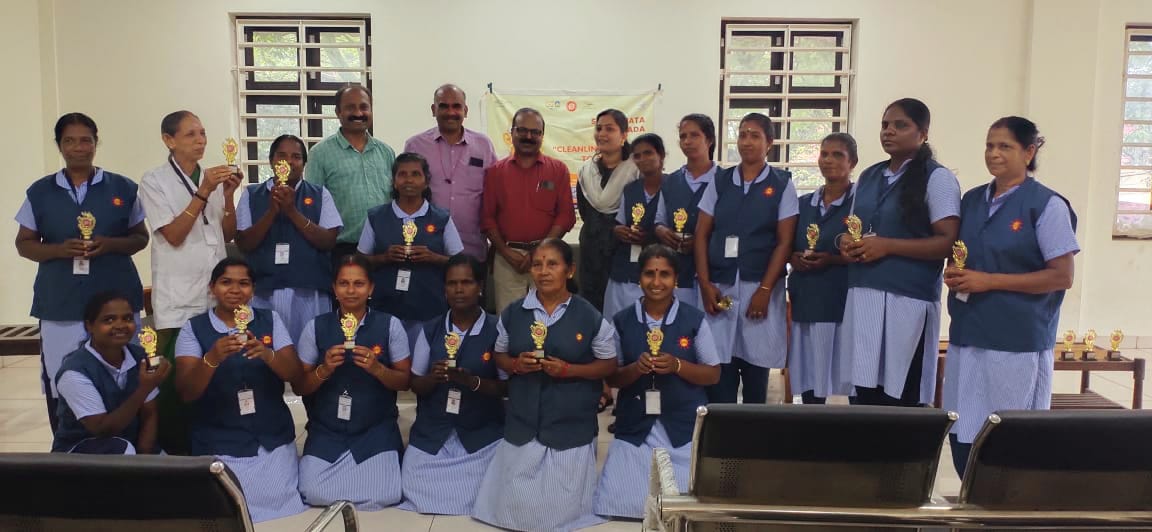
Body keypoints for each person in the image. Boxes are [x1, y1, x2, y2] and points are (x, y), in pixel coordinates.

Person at [942, 117, 1078, 476]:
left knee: (1008, 440)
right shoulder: (972, 200)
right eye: (989, 145)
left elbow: (1061, 276)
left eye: (1005, 146)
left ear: (1029, 152)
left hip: (1015, 341)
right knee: (963, 432)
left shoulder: (1046, 205)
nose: (994, 154)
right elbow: (961, 253)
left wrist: (989, 281)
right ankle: (971, 507)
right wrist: (956, 275)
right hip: (968, 336)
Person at [472, 238, 618, 531]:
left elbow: (609, 365)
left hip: (570, 421)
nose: (543, 271)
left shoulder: (589, 316)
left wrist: (569, 370)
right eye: (537, 264)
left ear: (570, 270)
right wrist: (515, 365)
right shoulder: (514, 313)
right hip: (524, 418)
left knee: (561, 513)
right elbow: (500, 354)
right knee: (513, 509)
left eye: (553, 264)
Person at [15, 113, 148, 431]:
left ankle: (131, 447)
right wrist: (60, 250)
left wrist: (110, 244)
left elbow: (140, 238)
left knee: (126, 375)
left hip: (116, 300)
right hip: (61, 303)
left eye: (86, 140)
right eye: (70, 141)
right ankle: (68, 449)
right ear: (59, 145)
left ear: (96, 142)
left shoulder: (123, 188)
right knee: (64, 381)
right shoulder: (40, 192)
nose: (79, 147)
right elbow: (25, 244)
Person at [838, 98, 961, 407]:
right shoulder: (869, 176)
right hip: (863, 296)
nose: (888, 131)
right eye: (885, 125)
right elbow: (854, 227)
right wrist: (844, 242)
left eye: (900, 125)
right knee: (865, 395)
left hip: (907, 301)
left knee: (901, 395)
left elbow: (947, 242)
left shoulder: (938, 178)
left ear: (923, 133)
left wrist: (887, 245)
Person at [139, 110, 241, 454]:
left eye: (202, 133)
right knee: (174, 378)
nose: (200, 140)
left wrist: (226, 195)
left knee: (212, 372)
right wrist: (204, 191)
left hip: (212, 293)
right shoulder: (154, 181)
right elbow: (174, 234)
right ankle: (174, 449)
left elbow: (227, 234)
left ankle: (209, 440)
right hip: (177, 293)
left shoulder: (208, 176)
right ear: (169, 140)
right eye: (190, 135)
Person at [173, 258, 306, 522]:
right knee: (228, 509)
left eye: (243, 283)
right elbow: (186, 392)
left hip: (270, 433)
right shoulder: (194, 328)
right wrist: (212, 358)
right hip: (220, 435)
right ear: (212, 288)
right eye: (226, 282)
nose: (235, 289)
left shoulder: (270, 319)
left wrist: (268, 356)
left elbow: (296, 376)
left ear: (253, 290)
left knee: (284, 505)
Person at [595, 245, 720, 519]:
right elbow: (613, 376)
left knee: (688, 507)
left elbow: (713, 373)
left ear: (676, 279)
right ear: (639, 278)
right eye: (649, 273)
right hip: (636, 422)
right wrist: (634, 370)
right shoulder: (622, 321)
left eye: (665, 274)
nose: (656, 281)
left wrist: (677, 365)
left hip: (681, 423)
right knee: (621, 504)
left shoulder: (693, 320)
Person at [293, 254, 412, 511]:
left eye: (358, 284)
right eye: (344, 283)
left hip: (375, 428)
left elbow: (404, 381)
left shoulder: (390, 325)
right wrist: (323, 370)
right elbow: (300, 386)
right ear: (334, 288)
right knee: (313, 492)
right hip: (328, 429)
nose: (350, 290)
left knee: (386, 493)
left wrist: (378, 369)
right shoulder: (315, 326)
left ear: (371, 288)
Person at [693, 113, 798, 404]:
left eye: (754, 135)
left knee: (755, 370)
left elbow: (784, 241)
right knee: (721, 367)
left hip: (760, 287)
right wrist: (704, 283)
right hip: (720, 285)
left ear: (769, 144)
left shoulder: (781, 183)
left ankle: (753, 440)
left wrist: (765, 291)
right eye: (742, 134)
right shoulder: (721, 180)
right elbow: (701, 234)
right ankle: (721, 443)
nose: (746, 141)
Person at [401, 253, 506, 515]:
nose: (459, 289)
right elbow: (415, 384)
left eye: (467, 282)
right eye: (452, 283)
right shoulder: (431, 329)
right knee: (412, 485)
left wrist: (472, 382)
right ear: (444, 288)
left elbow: (507, 389)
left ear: (481, 286)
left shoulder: (497, 329)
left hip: (481, 430)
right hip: (434, 429)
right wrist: (432, 379)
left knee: (489, 487)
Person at [235, 134, 342, 342]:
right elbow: (244, 243)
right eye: (282, 155)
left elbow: (328, 240)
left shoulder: (320, 194)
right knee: (266, 351)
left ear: (304, 164)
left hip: (309, 291)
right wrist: (272, 212)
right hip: (263, 292)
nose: (289, 162)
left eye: (296, 157)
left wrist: (292, 211)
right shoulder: (251, 194)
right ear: (271, 160)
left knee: (309, 351)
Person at [358, 152, 464, 345]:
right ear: (394, 181)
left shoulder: (441, 218)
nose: (409, 180)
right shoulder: (377, 217)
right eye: (402, 174)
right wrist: (384, 258)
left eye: (415, 174)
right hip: (386, 307)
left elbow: (460, 264)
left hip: (429, 307)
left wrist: (433, 257)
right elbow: (360, 262)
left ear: (426, 182)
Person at [481, 108, 576, 312]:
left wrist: (539, 251)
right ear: (512, 132)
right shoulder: (495, 172)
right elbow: (487, 218)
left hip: (547, 259)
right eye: (522, 130)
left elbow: (566, 216)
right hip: (507, 259)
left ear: (542, 135)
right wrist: (506, 251)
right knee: (508, 321)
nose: (528, 136)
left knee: (548, 318)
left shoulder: (558, 170)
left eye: (535, 132)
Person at [787, 133, 858, 404]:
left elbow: (865, 250)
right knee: (810, 382)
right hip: (807, 300)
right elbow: (788, 245)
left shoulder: (859, 205)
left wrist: (832, 259)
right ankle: (810, 439)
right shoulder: (803, 204)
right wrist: (794, 257)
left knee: (849, 382)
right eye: (824, 154)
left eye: (837, 155)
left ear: (853, 162)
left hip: (841, 302)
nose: (828, 160)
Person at [52, 291, 168, 455]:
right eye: (109, 320)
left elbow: (149, 412)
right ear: (89, 326)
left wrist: (146, 459)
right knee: (122, 449)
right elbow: (102, 429)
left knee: (175, 473)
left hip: (131, 449)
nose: (121, 325)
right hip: (80, 452)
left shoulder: (141, 355)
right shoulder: (73, 372)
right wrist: (144, 389)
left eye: (127, 318)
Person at [403, 84, 498, 262]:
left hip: (471, 248)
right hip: (426, 247)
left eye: (456, 106)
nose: (450, 112)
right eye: (443, 106)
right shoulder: (415, 146)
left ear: (466, 110)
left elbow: (494, 194)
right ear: (433, 109)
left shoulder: (483, 145)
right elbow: (404, 196)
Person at [306, 84, 396, 264]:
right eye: (350, 108)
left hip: (384, 251)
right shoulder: (320, 154)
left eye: (364, 107)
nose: (358, 113)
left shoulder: (386, 152)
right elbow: (312, 207)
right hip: (342, 250)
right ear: (338, 112)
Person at [577, 109, 640, 312]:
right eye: (599, 128)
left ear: (623, 135)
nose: (602, 134)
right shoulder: (587, 172)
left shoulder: (636, 171)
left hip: (623, 254)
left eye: (609, 129)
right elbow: (587, 214)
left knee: (622, 314)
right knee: (592, 314)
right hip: (591, 253)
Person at [654, 114, 719, 308]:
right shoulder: (670, 181)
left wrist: (702, 239)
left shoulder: (724, 180)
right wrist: (663, 232)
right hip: (679, 271)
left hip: (715, 274)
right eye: (683, 137)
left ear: (709, 140)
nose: (687, 141)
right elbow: (659, 221)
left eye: (694, 135)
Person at [604, 133, 666, 319]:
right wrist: (619, 231)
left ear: (661, 155)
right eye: (637, 156)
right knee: (617, 325)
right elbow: (620, 222)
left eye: (648, 153)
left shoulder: (673, 186)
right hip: (625, 269)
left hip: (658, 269)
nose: (642, 159)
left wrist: (651, 236)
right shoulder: (630, 189)